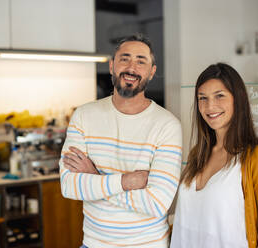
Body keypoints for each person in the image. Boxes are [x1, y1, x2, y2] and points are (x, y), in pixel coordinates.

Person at [59, 33, 182, 247]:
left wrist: (95, 178)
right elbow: (69, 186)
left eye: (141, 61)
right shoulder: (84, 115)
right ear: (112, 65)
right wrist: (126, 182)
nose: (131, 67)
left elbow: (157, 203)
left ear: (152, 72)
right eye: (124, 59)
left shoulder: (167, 125)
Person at [170, 63, 258, 248]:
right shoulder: (196, 155)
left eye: (219, 96)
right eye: (202, 98)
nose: (210, 105)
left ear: (237, 99)